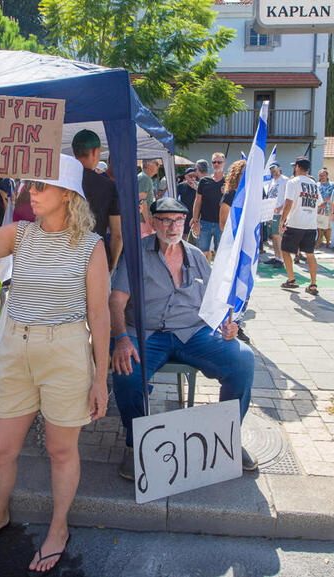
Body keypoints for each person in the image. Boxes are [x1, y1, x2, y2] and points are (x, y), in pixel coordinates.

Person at [0, 153, 109, 575]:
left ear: (67, 195)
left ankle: (58, 526)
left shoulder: (91, 245)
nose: (30, 190)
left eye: (40, 185)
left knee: (60, 449)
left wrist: (99, 380)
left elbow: (99, 315)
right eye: (30, 183)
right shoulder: (21, 233)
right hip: (15, 346)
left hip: (66, 351)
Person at [111, 197, 258, 480]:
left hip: (193, 333)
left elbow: (217, 303)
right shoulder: (136, 254)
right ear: (153, 222)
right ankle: (136, 444)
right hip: (148, 333)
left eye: (178, 220)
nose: (172, 226)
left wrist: (228, 325)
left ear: (186, 222)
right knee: (126, 372)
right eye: (165, 220)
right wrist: (121, 338)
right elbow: (116, 301)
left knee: (242, 359)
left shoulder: (197, 256)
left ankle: (228, 438)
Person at [73, 129, 123, 269]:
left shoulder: (61, 182)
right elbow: (117, 235)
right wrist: (111, 267)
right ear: (95, 152)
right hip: (96, 258)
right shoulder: (108, 186)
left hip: (64, 259)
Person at [279, 158, 321, 296]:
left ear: (297, 167)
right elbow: (319, 202)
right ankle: (313, 284)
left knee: (285, 250)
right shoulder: (314, 184)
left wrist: (282, 220)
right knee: (310, 253)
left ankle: (291, 279)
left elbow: (289, 202)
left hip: (295, 222)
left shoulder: (293, 182)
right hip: (310, 224)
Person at [193, 152, 227, 261]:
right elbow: (197, 202)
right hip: (204, 223)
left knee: (221, 254)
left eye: (219, 162)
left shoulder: (228, 182)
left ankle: (219, 277)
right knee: (202, 253)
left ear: (224, 164)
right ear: (211, 164)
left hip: (222, 224)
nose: (216, 164)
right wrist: (195, 221)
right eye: (214, 162)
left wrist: (226, 192)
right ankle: (204, 276)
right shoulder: (204, 181)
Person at [263, 162, 288, 267]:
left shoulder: (285, 180)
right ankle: (277, 256)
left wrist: (281, 208)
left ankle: (281, 259)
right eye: (271, 169)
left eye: (274, 168)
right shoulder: (272, 181)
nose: (273, 171)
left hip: (279, 212)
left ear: (279, 168)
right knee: (273, 236)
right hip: (271, 212)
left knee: (278, 236)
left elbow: (288, 197)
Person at [137, 158, 160, 227]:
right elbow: (141, 201)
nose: (158, 166)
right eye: (156, 163)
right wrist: (147, 222)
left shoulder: (144, 177)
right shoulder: (145, 178)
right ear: (148, 165)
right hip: (143, 221)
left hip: (142, 219)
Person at [317, 169, 334, 248]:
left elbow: (332, 195)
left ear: (327, 175)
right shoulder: (316, 185)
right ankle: (319, 240)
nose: (322, 177)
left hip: (328, 208)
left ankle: (328, 241)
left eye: (323, 175)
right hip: (318, 208)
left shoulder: (332, 185)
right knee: (319, 226)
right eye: (320, 175)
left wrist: (324, 202)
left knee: (328, 227)